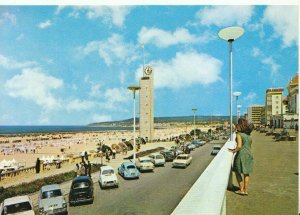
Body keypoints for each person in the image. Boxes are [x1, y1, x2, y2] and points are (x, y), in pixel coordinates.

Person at [229, 118, 254, 196]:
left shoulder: (239, 134)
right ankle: (246, 190)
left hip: (241, 155)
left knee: (238, 172)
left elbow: (239, 146)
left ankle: (241, 189)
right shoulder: (249, 135)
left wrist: (233, 151)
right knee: (246, 173)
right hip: (249, 154)